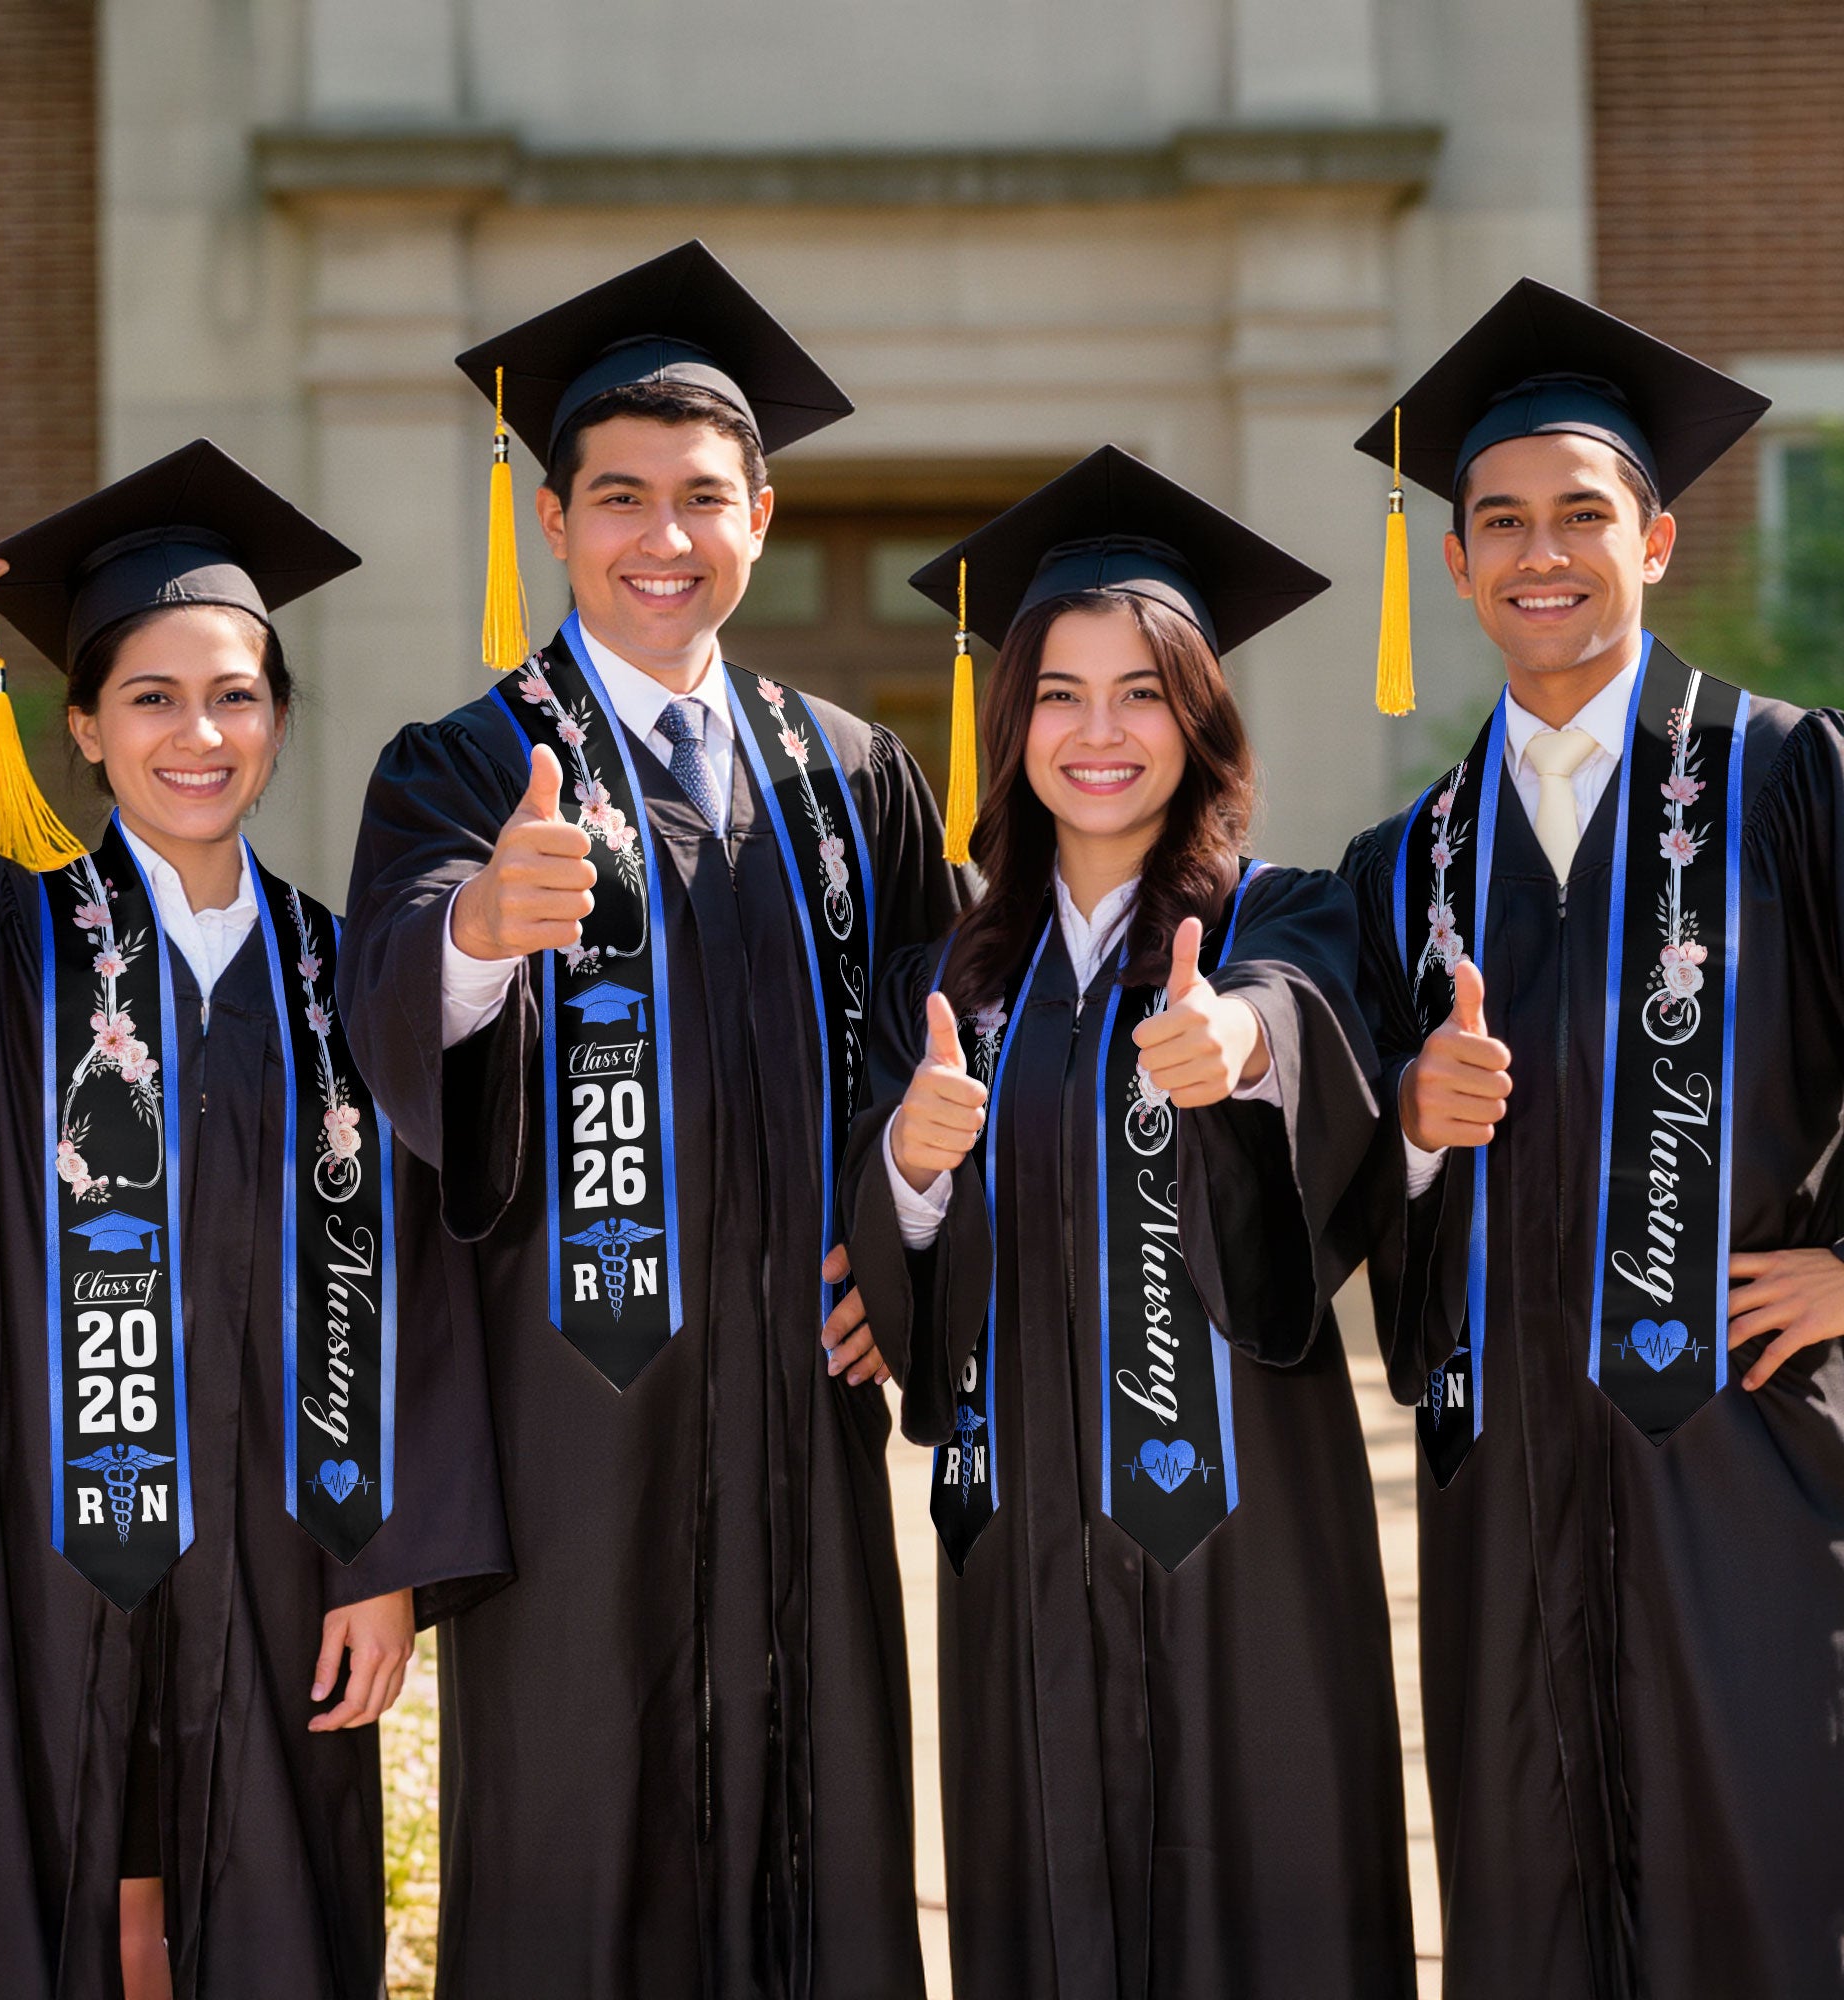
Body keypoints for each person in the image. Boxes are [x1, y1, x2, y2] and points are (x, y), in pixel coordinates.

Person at [340, 241, 964, 1998]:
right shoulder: (465, 764)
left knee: (819, 1828)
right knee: (577, 1843)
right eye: (620, 498)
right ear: (554, 521)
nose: (662, 538)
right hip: (574, 1420)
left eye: (704, 498)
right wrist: (476, 930)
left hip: (799, 1406)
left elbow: (957, 1040)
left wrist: (909, 1251)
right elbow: (383, 999)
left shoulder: (851, 773)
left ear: (761, 514)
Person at [0, 440, 508, 2000]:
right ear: (83, 726)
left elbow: (424, 1279)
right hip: (35, 1536)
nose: (196, 733)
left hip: (286, 1555)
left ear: (278, 719)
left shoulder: (353, 977)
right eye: (150, 697)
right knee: (45, 1871)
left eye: (235, 694)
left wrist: (390, 1558)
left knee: (264, 1900)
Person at [839, 446, 1415, 1998]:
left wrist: (1241, 1047)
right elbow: (907, 1294)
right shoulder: (949, 979)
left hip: (1250, 1536)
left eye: (1144, 692)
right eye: (1061, 694)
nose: (1101, 734)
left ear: (1201, 717)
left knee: (1271, 1901)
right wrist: (907, 1161)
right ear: (1010, 720)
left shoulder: (1280, 916)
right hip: (1021, 1534)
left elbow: (1309, 1024)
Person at [1340, 279, 1844, 1998]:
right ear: (1460, 562)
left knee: (1764, 1881)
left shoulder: (1788, 781)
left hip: (1747, 1462)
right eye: (1499, 522)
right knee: (1526, 1899)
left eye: (1581, 515)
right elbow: (1332, 1180)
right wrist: (1407, 1126)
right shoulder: (1404, 866)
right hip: (1504, 1488)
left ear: (1658, 539)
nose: (1538, 553)